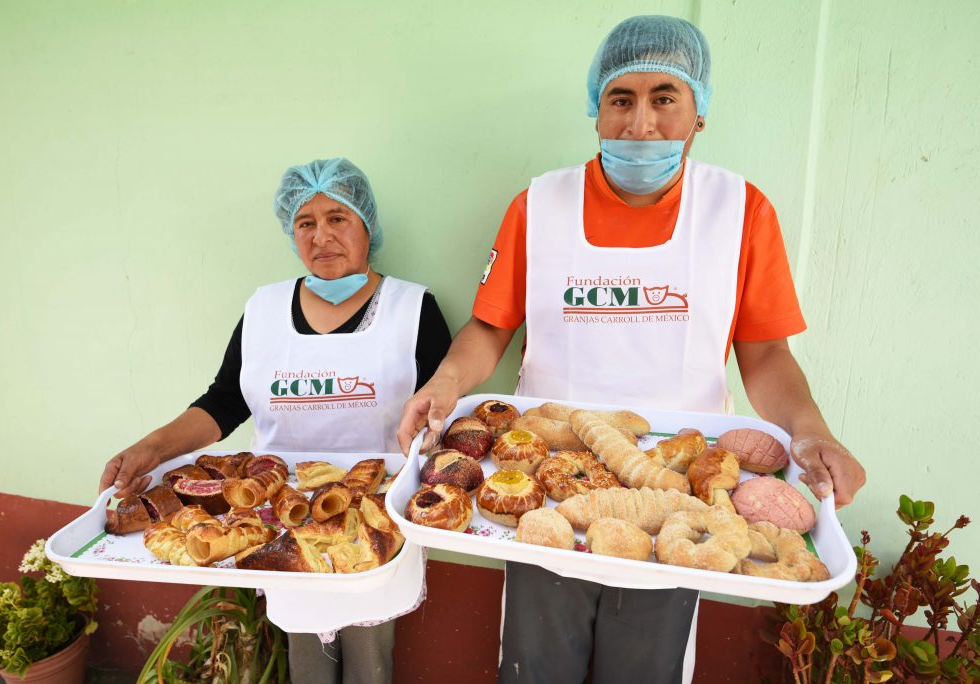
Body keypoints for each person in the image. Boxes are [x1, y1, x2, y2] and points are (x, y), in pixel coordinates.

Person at [397, 15, 866, 684]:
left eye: (664, 98)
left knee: (644, 668)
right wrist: (446, 383)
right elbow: (490, 329)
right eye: (621, 98)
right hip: (544, 488)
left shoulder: (739, 211)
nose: (641, 124)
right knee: (537, 668)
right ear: (597, 107)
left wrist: (811, 431)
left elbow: (765, 355)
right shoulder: (539, 205)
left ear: (699, 112)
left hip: (682, 493)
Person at [101, 157, 452, 684]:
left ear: (367, 226)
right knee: (307, 655)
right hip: (284, 516)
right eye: (305, 223)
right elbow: (225, 402)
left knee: (369, 657)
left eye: (338, 218)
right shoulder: (264, 311)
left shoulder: (413, 309)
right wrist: (152, 448)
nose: (321, 236)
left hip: (374, 521)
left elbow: (442, 419)